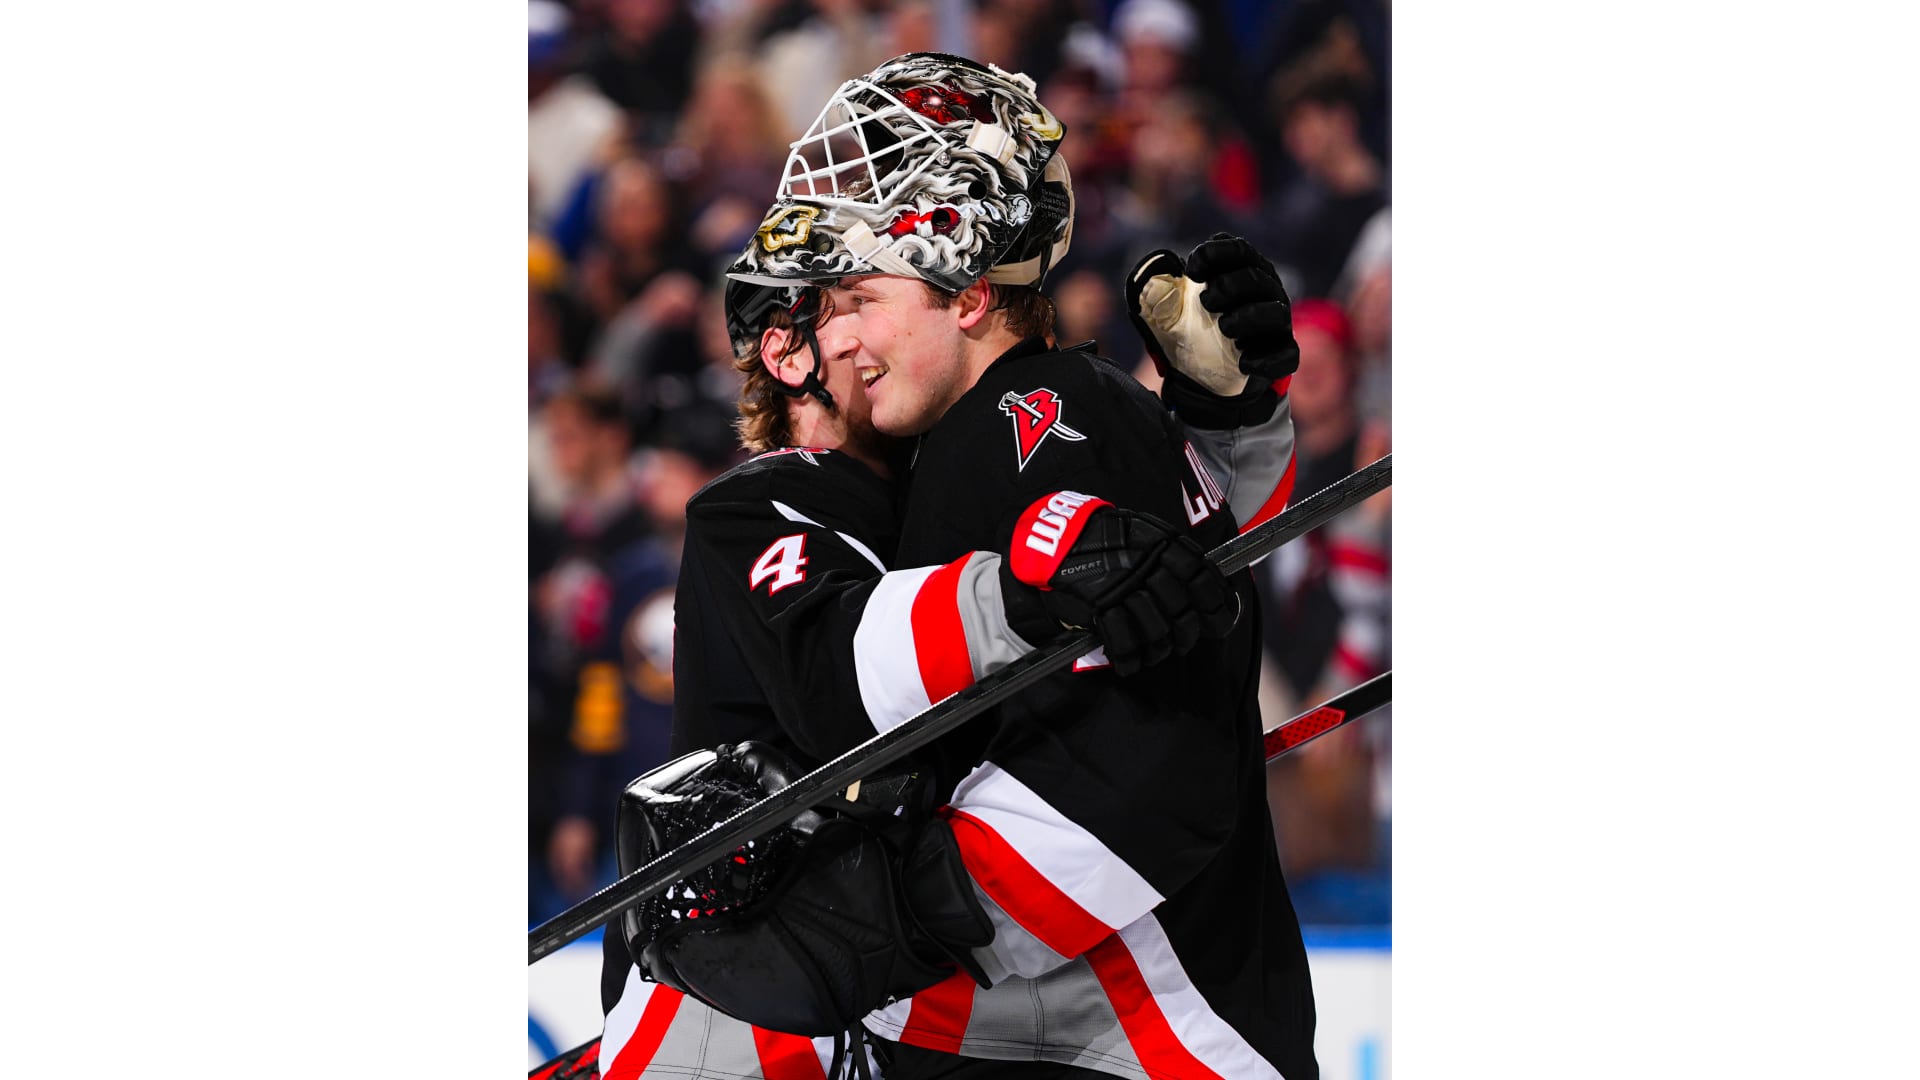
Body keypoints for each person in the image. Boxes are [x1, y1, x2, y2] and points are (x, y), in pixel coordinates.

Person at [589, 54, 1311, 1080]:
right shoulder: (869, 474)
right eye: (819, 312)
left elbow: (1157, 680)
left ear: (966, 291)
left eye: (857, 296)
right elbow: (1163, 578)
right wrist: (1225, 433)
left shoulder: (1012, 422)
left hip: (1122, 1034)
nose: (839, 338)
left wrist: (911, 908)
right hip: (1044, 1025)